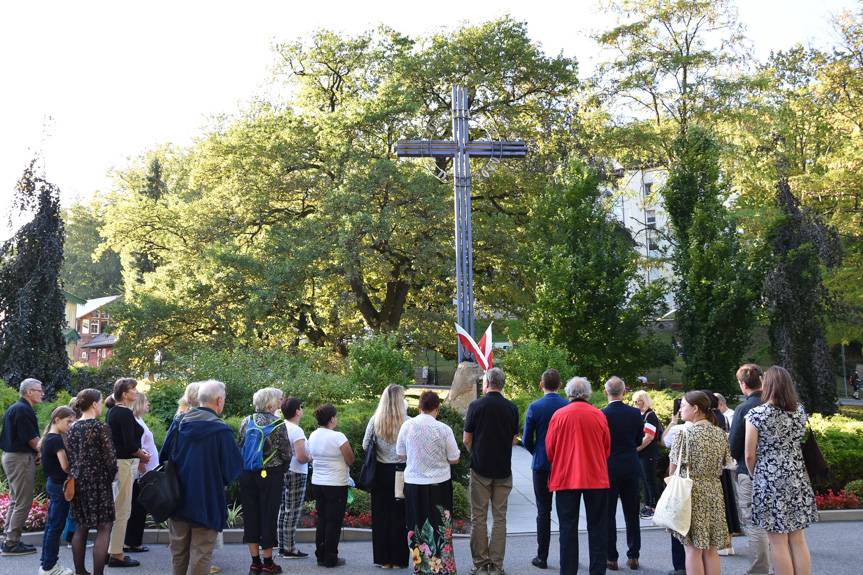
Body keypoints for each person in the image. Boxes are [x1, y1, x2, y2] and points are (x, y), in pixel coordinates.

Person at [162, 379, 243, 575]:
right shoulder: (221, 431)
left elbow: (163, 457)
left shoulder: (179, 423)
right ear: (219, 400)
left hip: (177, 498)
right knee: (202, 553)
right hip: (207, 500)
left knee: (178, 552)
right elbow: (232, 470)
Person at [745, 366, 818, 575]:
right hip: (797, 477)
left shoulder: (757, 414)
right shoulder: (799, 411)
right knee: (797, 538)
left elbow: (749, 454)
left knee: (777, 542)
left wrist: (755, 475)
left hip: (769, 479)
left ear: (767, 385)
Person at [545, 377, 610, 575]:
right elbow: (606, 448)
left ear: (568, 393)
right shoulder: (598, 415)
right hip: (595, 477)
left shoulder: (559, 415)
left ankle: (568, 571)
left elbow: (550, 449)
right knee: (598, 528)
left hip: (566, 478)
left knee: (567, 528)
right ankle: (597, 571)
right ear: (588, 393)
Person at [669, 391, 733, 575]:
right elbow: (726, 464)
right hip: (713, 492)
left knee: (692, 549)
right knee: (711, 549)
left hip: (691, 493)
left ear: (695, 409)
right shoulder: (720, 434)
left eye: (683, 406)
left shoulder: (684, 434)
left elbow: (673, 470)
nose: (680, 410)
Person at [397, 391, 460, 575]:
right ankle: (443, 568)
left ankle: (420, 567)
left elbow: (400, 453)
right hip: (439, 484)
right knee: (441, 526)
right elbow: (454, 457)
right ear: (437, 408)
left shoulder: (407, 426)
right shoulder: (443, 429)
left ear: (419, 407)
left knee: (416, 526)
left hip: (414, 483)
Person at [464, 367, 519, 575]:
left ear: (486, 383)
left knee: (478, 517)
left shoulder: (476, 406)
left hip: (480, 469)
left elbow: (467, 439)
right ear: (502, 384)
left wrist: (475, 452)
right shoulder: (511, 408)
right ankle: (496, 565)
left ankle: (480, 564)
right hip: (503, 470)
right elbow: (514, 439)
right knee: (499, 518)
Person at [238, 387, 291, 574]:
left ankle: (255, 563)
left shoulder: (246, 421)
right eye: (279, 399)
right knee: (268, 516)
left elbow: (240, 445)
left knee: (251, 516)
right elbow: (286, 453)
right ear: (270, 403)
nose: (281, 402)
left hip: (248, 473)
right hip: (270, 475)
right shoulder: (278, 424)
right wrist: (282, 469)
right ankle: (268, 563)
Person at [66, 388, 117, 575]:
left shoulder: (72, 427)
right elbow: (110, 459)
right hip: (99, 482)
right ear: (94, 404)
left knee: (81, 526)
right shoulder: (100, 427)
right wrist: (111, 476)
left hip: (78, 481)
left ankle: (80, 571)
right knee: (104, 527)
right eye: (101, 401)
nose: (102, 404)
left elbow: (70, 456)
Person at [522, 368, 568, 570]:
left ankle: (542, 556)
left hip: (542, 463)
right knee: (567, 512)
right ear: (559, 385)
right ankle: (568, 556)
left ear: (542, 384)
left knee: (543, 511)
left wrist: (537, 452)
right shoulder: (567, 405)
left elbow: (526, 439)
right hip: (564, 464)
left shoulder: (535, 406)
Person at [728, 363, 770, 575]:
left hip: (750, 470)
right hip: (778, 471)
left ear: (743, 384)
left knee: (755, 521)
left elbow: (735, 445)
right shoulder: (778, 403)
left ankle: (759, 569)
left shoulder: (744, 409)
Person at [362, 384, 409, 569]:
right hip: (400, 472)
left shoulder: (375, 420)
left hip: (379, 472)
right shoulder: (407, 421)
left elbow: (366, 445)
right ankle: (398, 559)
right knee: (399, 516)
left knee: (380, 515)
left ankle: (383, 559)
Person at [105, 378, 150, 568]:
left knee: (120, 508)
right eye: (133, 390)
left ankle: (114, 550)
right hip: (124, 464)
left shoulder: (114, 411)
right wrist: (142, 454)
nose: (136, 393)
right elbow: (129, 444)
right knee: (123, 510)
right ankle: (116, 553)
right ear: (125, 393)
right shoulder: (123, 413)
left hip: (121, 463)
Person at [602, 377, 643, 571]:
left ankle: (611, 557)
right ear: (624, 392)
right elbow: (637, 440)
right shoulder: (635, 413)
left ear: (605, 392)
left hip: (609, 467)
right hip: (630, 465)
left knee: (608, 514)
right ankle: (633, 555)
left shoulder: (602, 414)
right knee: (632, 513)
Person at [0, 377, 43, 556]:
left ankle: (9, 539)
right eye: (39, 390)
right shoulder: (23, 409)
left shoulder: (18, 408)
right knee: (23, 502)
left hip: (14, 457)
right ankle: (11, 542)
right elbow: (32, 439)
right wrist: (42, 451)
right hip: (20, 458)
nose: (42, 393)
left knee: (16, 500)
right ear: (29, 392)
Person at [308, 404, 354, 568]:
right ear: (331, 418)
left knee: (322, 519)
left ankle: (320, 555)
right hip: (336, 483)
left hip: (318, 482)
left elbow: (310, 457)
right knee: (334, 522)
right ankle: (331, 557)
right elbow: (350, 459)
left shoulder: (313, 435)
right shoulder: (338, 437)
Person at [38, 405, 76, 575]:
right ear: (57, 420)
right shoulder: (56, 440)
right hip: (60, 486)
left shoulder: (48, 438)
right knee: (55, 527)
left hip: (53, 484)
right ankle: (49, 567)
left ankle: (46, 564)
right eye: (68, 421)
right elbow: (65, 466)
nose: (70, 425)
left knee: (51, 526)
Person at [277, 397, 313, 559]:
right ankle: (290, 549)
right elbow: (300, 457)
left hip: (283, 471)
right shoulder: (296, 430)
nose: (302, 409)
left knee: (283, 510)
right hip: (296, 472)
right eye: (301, 407)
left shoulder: (281, 425)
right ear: (297, 411)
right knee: (292, 511)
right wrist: (311, 457)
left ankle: (282, 545)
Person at [124, 392, 159, 554]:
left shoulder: (139, 420)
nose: (148, 405)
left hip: (144, 472)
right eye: (146, 402)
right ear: (139, 403)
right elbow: (136, 449)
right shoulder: (135, 421)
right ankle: (132, 542)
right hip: (141, 473)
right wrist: (143, 471)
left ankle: (133, 541)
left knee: (139, 508)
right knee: (138, 508)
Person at [662, 404, 688, 575]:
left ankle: (680, 567)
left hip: (682, 485)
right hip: (710, 486)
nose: (682, 409)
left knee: (678, 526)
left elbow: (664, 442)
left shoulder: (679, 430)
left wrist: (672, 422)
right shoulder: (716, 431)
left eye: (685, 406)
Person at [632, 390, 661, 519]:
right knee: (644, 480)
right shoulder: (640, 414)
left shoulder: (650, 416)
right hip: (642, 453)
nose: (636, 403)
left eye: (638, 400)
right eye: (634, 401)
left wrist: (637, 448)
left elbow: (649, 437)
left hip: (648, 452)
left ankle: (654, 506)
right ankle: (648, 504)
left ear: (644, 400)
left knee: (650, 480)